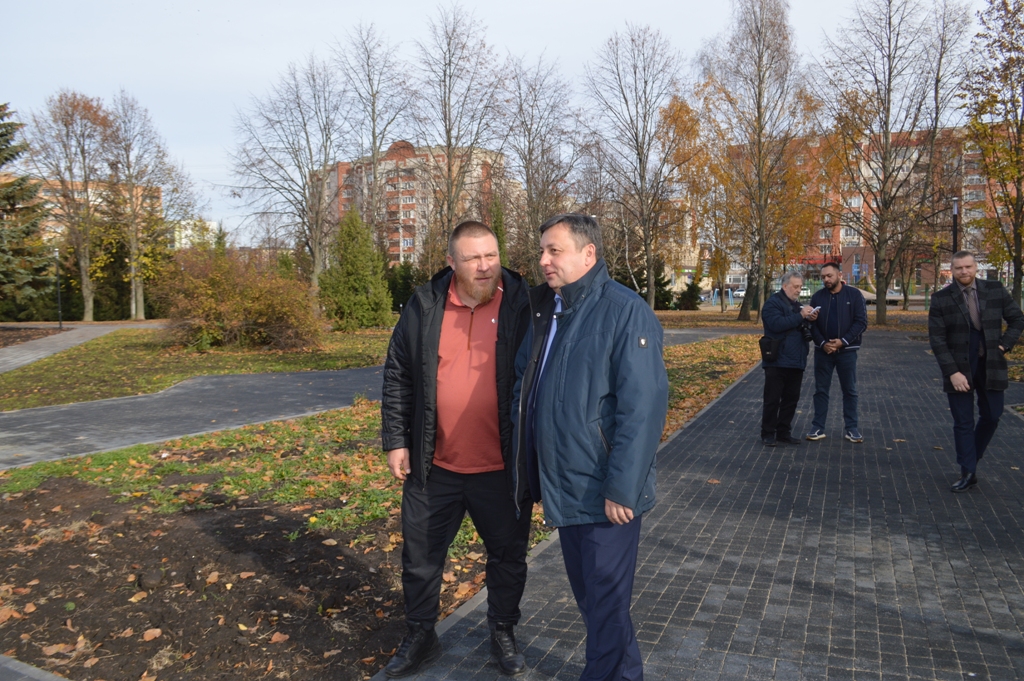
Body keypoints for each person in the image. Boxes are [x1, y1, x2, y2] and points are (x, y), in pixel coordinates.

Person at [512, 213, 668, 681]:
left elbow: (642, 408)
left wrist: (622, 487)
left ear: (588, 254)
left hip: (606, 495)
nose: (543, 260)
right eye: (542, 250)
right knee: (598, 605)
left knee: (604, 605)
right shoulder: (551, 310)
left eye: (553, 250)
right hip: (567, 487)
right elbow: (528, 387)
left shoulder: (625, 310)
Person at [380, 221, 533, 677]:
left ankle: (502, 630)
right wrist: (396, 440)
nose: (485, 266)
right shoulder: (424, 305)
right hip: (435, 466)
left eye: (491, 255)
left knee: (508, 557)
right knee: (421, 559)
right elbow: (398, 374)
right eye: (473, 258)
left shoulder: (523, 304)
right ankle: (421, 634)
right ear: (451, 262)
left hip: (502, 467)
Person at [928, 250, 1023, 493]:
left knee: (992, 415)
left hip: (991, 363)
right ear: (952, 270)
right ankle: (968, 471)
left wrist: (1004, 345)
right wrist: (952, 372)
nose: (964, 272)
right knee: (963, 421)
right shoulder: (941, 298)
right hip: (959, 366)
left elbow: (1017, 319)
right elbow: (937, 340)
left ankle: (972, 458)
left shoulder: (994, 289)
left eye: (968, 267)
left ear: (975, 267)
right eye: (959, 268)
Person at [806, 262, 868, 443]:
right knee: (821, 390)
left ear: (839, 275)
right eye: (823, 277)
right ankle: (818, 427)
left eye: (829, 276)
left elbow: (861, 322)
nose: (826, 279)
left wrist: (843, 342)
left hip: (847, 351)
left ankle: (852, 428)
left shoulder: (854, 295)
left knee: (850, 390)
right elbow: (812, 325)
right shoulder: (817, 297)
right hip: (823, 351)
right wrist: (823, 343)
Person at [761, 271, 818, 447]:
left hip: (796, 360)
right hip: (777, 359)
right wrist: (801, 316)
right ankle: (768, 433)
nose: (798, 290)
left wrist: (810, 319)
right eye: (795, 286)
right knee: (772, 399)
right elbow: (776, 325)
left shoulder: (797, 306)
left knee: (791, 399)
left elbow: (799, 327)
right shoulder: (772, 304)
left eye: (800, 287)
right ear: (784, 286)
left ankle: (783, 432)